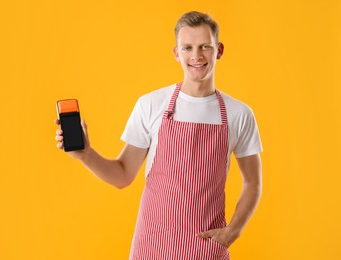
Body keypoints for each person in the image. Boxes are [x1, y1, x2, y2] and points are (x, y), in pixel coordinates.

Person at [55, 11, 263, 260]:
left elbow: (253, 182)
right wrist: (85, 154)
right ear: (176, 53)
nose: (196, 56)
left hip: (205, 249)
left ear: (219, 50)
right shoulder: (151, 104)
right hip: (152, 246)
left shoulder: (239, 113)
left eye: (204, 46)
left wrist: (232, 233)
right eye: (187, 47)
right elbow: (122, 175)